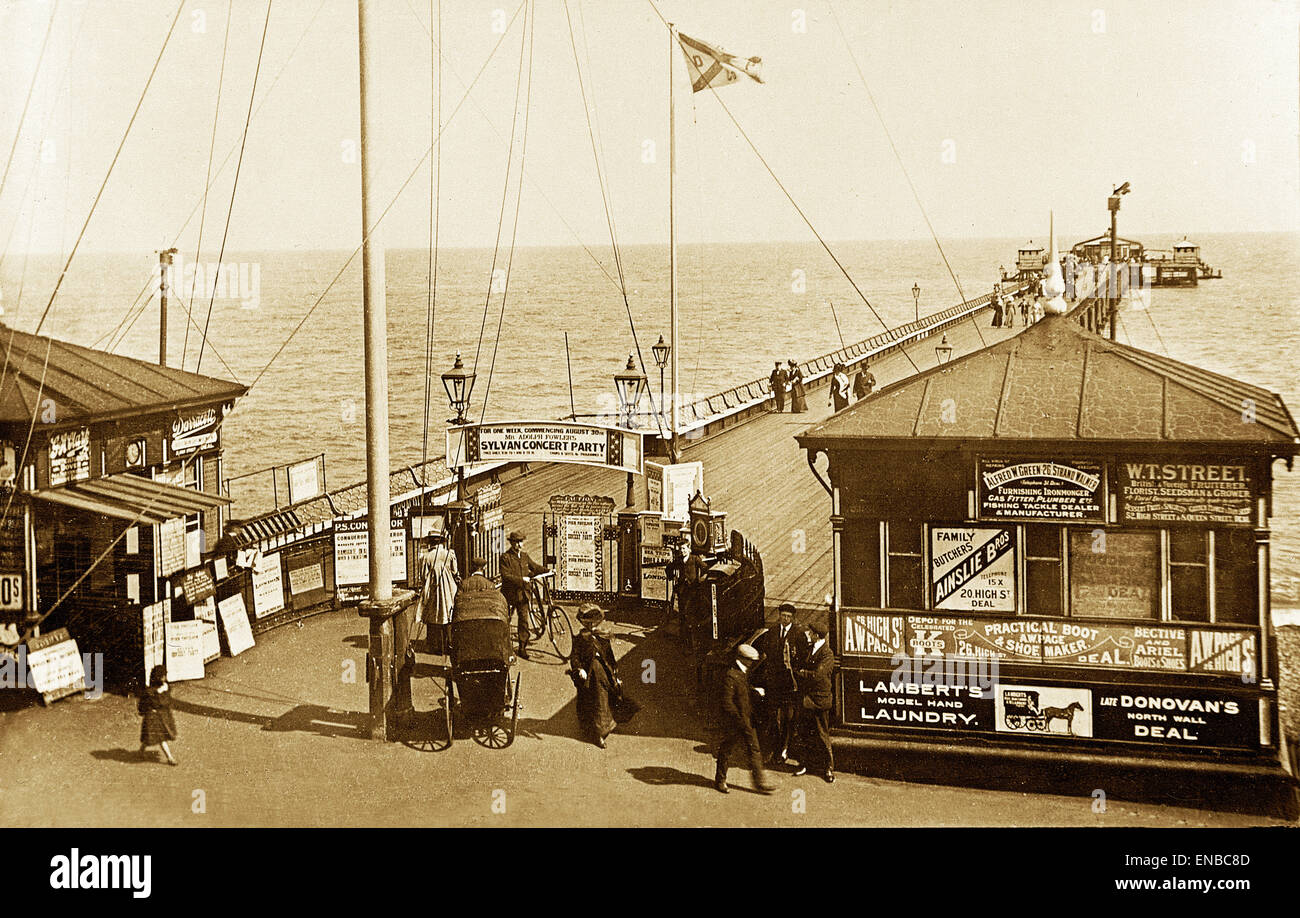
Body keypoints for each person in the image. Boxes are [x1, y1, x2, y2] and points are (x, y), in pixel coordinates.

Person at [568, 604, 635, 748]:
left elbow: (610, 658)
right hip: (588, 677)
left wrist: (615, 675)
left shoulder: (603, 638)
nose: (591, 625)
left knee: (602, 702)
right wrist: (579, 669)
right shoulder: (579, 639)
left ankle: (600, 732)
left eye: (593, 622)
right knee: (590, 702)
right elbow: (574, 657)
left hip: (603, 675)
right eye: (588, 623)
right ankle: (592, 730)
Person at [714, 644, 776, 794]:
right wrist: (738, 720)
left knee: (754, 750)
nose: (753, 663)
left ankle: (759, 783)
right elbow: (727, 702)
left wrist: (754, 691)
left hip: (747, 720)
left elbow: (743, 692)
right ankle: (720, 780)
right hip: (734, 722)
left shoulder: (743, 672)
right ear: (743, 659)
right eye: (750, 660)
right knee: (726, 750)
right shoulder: (731, 675)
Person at [754, 602, 808, 765]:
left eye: (788, 617)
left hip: (789, 685)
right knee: (773, 718)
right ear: (779, 616)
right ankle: (774, 749)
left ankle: (784, 749)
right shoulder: (772, 631)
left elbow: (803, 656)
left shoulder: (798, 634)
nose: (785, 619)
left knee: (788, 718)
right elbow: (766, 652)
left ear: (793, 618)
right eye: (783, 615)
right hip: (774, 684)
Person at [792, 618, 835, 783]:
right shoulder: (811, 648)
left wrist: (802, 673)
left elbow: (818, 675)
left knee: (822, 734)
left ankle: (828, 768)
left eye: (811, 633)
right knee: (805, 733)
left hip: (819, 700)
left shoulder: (827, 653)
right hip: (807, 699)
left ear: (817, 635)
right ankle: (805, 764)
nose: (809, 635)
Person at [450, 556, 510, 662]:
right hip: (486, 622)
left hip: (467, 623)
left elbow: (457, 602)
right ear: (484, 568)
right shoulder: (490, 585)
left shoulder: (464, 584)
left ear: (471, 568)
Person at [499, 530, 545, 659]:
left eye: (521, 542)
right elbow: (506, 576)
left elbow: (535, 567)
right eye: (516, 542)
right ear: (512, 543)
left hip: (523, 594)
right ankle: (502, 646)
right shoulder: (505, 557)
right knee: (505, 620)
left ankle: (522, 648)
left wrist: (549, 571)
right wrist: (521, 580)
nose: (519, 545)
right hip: (509, 595)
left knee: (524, 621)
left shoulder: (524, 556)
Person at [416, 532, 458, 654]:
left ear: (431, 543)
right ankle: (450, 643)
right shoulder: (449, 554)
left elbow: (423, 576)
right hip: (449, 588)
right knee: (449, 613)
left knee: (434, 614)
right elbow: (455, 571)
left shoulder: (426, 557)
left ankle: (435, 645)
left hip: (434, 588)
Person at [139, 664, 178, 766]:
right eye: (163, 676)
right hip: (153, 717)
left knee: (151, 737)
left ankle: (141, 751)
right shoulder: (151, 691)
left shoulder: (164, 687)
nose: (165, 678)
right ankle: (170, 758)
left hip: (161, 716)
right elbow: (155, 702)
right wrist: (159, 693)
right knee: (161, 738)